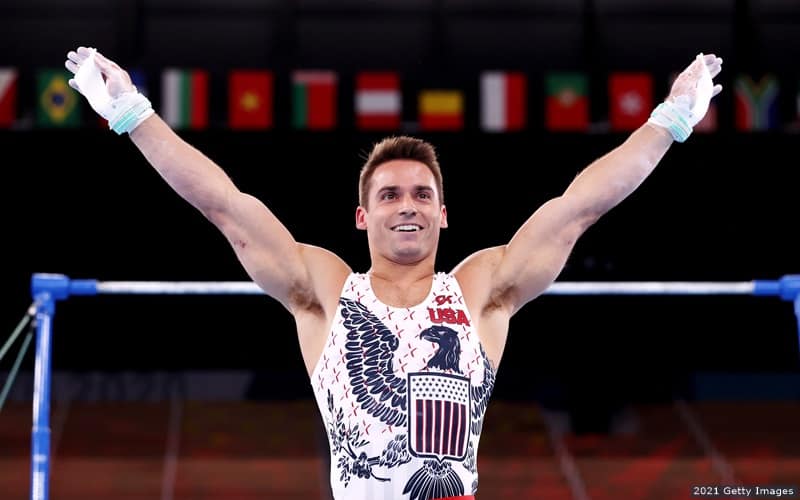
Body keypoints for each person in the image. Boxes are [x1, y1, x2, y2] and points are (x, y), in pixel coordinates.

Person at [64, 46, 722, 500]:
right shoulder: (323, 292)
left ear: (443, 215)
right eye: (389, 195)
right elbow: (226, 207)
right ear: (362, 217)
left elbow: (579, 208)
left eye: (420, 195)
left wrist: (669, 120)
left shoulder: (479, 290)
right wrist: (134, 115)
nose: (406, 205)